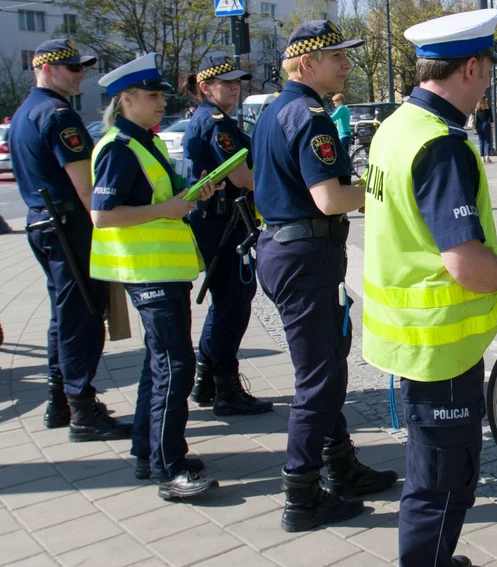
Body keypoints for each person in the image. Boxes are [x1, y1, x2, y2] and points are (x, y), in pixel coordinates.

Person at [363, 8, 497, 567]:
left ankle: (433, 561)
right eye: (488, 71)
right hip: (438, 343)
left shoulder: (398, 126)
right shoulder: (442, 147)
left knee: (449, 464)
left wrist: (491, 259)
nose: (489, 83)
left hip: (421, 338)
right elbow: (463, 263)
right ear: (469, 67)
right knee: (438, 475)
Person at [252, 20, 398, 533]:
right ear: (308, 63)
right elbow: (331, 199)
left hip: (289, 250)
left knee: (329, 365)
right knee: (318, 379)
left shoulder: (275, 110)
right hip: (305, 256)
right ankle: (301, 495)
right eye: (338, 56)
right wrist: (385, 189)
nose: (347, 64)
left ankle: (340, 467)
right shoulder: (310, 117)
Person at [91, 53, 220, 498]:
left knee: (160, 363)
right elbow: (102, 216)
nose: (161, 103)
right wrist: (167, 209)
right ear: (126, 99)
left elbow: (158, 202)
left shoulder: (144, 142)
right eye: (152, 96)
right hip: (146, 272)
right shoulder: (119, 148)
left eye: (162, 95)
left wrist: (188, 196)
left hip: (160, 271)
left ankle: (151, 451)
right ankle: (170, 468)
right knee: (174, 364)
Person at [8, 39, 130, 441]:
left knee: (63, 314)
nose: (81, 74)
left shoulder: (26, 112)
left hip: (42, 223)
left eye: (81, 68)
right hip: (68, 225)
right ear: (44, 68)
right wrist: (108, 226)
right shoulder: (60, 115)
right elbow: (86, 187)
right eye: (72, 68)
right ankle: (82, 409)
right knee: (83, 317)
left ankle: (60, 400)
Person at [179, 52, 273, 421]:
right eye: (226, 82)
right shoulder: (215, 122)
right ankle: (226, 387)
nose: (235, 87)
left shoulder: (214, 119)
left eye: (238, 82)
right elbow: (243, 178)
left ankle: (207, 379)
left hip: (221, 220)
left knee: (227, 299)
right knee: (232, 301)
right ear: (205, 87)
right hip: (221, 222)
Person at [473, 96, 493, 162]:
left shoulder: (477, 108)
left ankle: (482, 157)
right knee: (487, 141)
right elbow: (491, 119)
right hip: (486, 124)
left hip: (479, 124)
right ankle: (487, 156)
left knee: (481, 141)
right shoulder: (488, 108)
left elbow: (475, 118)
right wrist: (491, 127)